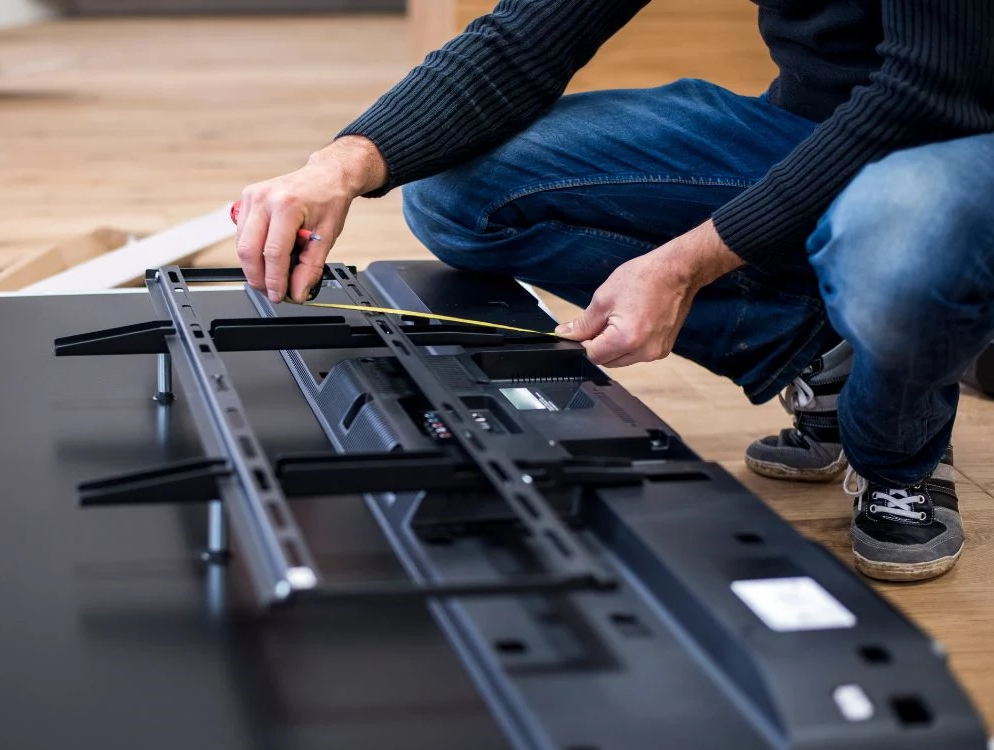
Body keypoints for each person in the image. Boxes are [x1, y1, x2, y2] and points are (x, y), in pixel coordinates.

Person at [232, 0, 994, 582]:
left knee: (899, 236)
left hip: (957, 143)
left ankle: (899, 454)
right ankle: (830, 342)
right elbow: (524, 37)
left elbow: (929, 97)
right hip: (812, 126)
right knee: (456, 193)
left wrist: (686, 263)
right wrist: (341, 163)